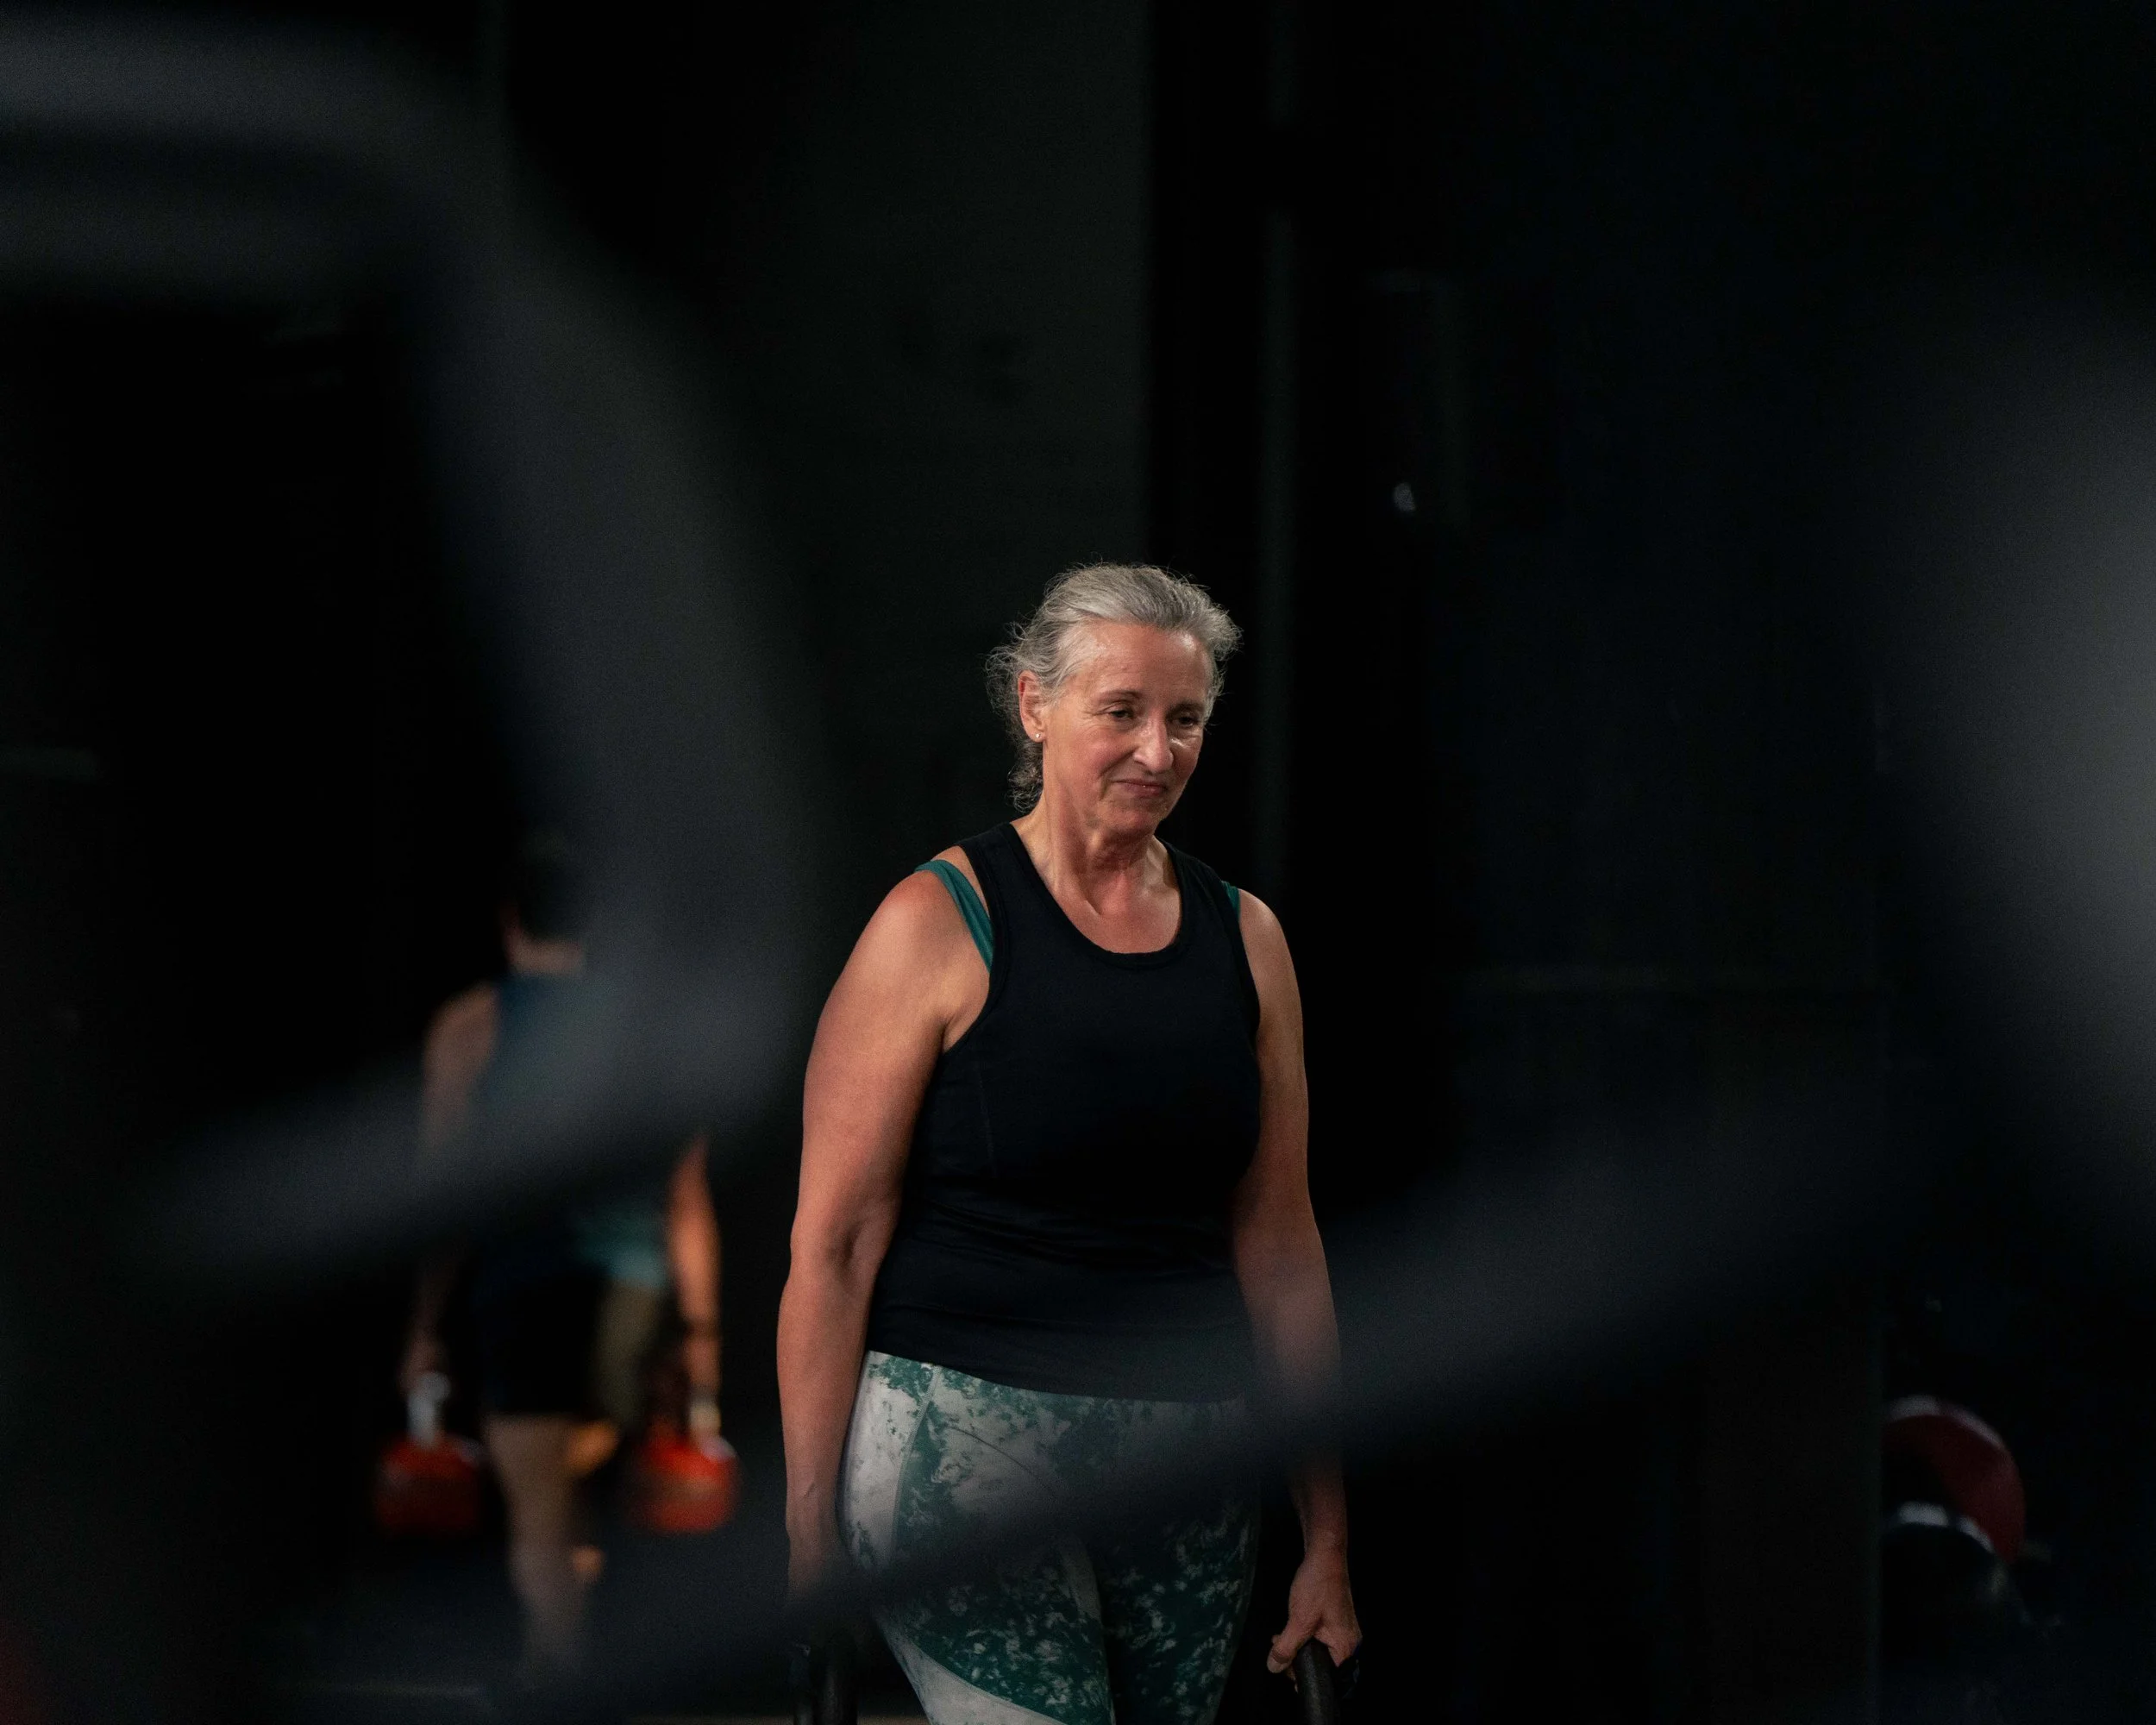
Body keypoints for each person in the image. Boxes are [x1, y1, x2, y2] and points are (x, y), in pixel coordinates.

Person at [778, 565, 1359, 1725]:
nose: (1157, 749)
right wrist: (806, 1531)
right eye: (1121, 711)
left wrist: (1328, 1539)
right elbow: (834, 1247)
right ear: (1035, 704)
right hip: (962, 1443)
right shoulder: (934, 923)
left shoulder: (1246, 938)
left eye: (1185, 717)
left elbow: (1283, 1249)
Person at [400, 832, 723, 1684]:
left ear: (509, 919)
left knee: (538, 1510)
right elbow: (686, 1201)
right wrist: (701, 1335)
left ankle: (555, 1680)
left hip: (524, 1282)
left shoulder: (472, 1025)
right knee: (572, 1501)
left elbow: (443, 1194)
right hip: (632, 1289)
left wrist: (425, 1328)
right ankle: (571, 1665)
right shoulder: (656, 1032)